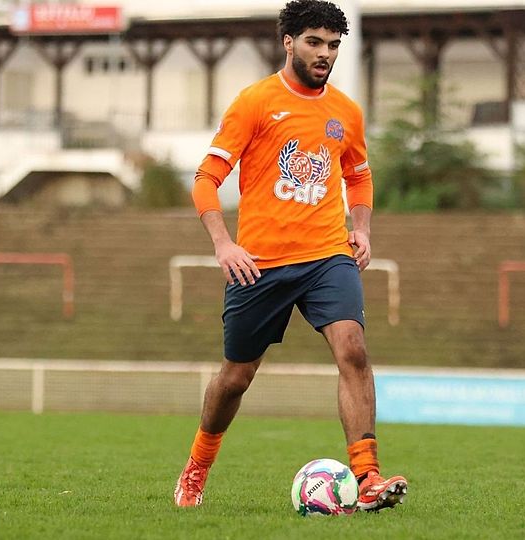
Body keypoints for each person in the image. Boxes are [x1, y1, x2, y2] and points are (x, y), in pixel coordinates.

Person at [173, 0, 408, 511]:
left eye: (333, 46)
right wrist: (223, 243)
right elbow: (206, 180)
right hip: (258, 265)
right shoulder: (255, 102)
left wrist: (361, 227)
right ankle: (197, 465)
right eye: (314, 43)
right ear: (289, 42)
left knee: (354, 351)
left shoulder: (345, 111)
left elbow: (359, 174)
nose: (325, 54)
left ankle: (367, 475)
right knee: (235, 379)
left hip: (328, 255)